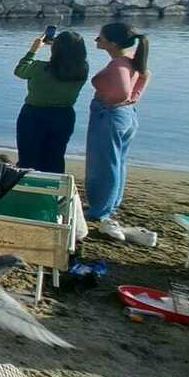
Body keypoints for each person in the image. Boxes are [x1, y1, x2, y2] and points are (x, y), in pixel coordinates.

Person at [85, 22, 151, 240]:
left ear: (112, 43)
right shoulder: (131, 58)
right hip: (127, 115)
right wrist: (133, 98)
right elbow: (145, 75)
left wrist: (113, 101)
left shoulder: (118, 66)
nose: (97, 40)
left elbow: (122, 91)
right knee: (117, 162)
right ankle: (110, 204)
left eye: (100, 38)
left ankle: (99, 210)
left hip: (111, 115)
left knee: (104, 164)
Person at [13, 31, 88, 174]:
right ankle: (52, 190)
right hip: (63, 115)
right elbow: (67, 61)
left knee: (28, 159)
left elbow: (19, 71)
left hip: (33, 115)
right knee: (55, 157)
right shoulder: (82, 69)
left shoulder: (39, 68)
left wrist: (33, 50)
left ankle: (27, 190)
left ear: (55, 48)